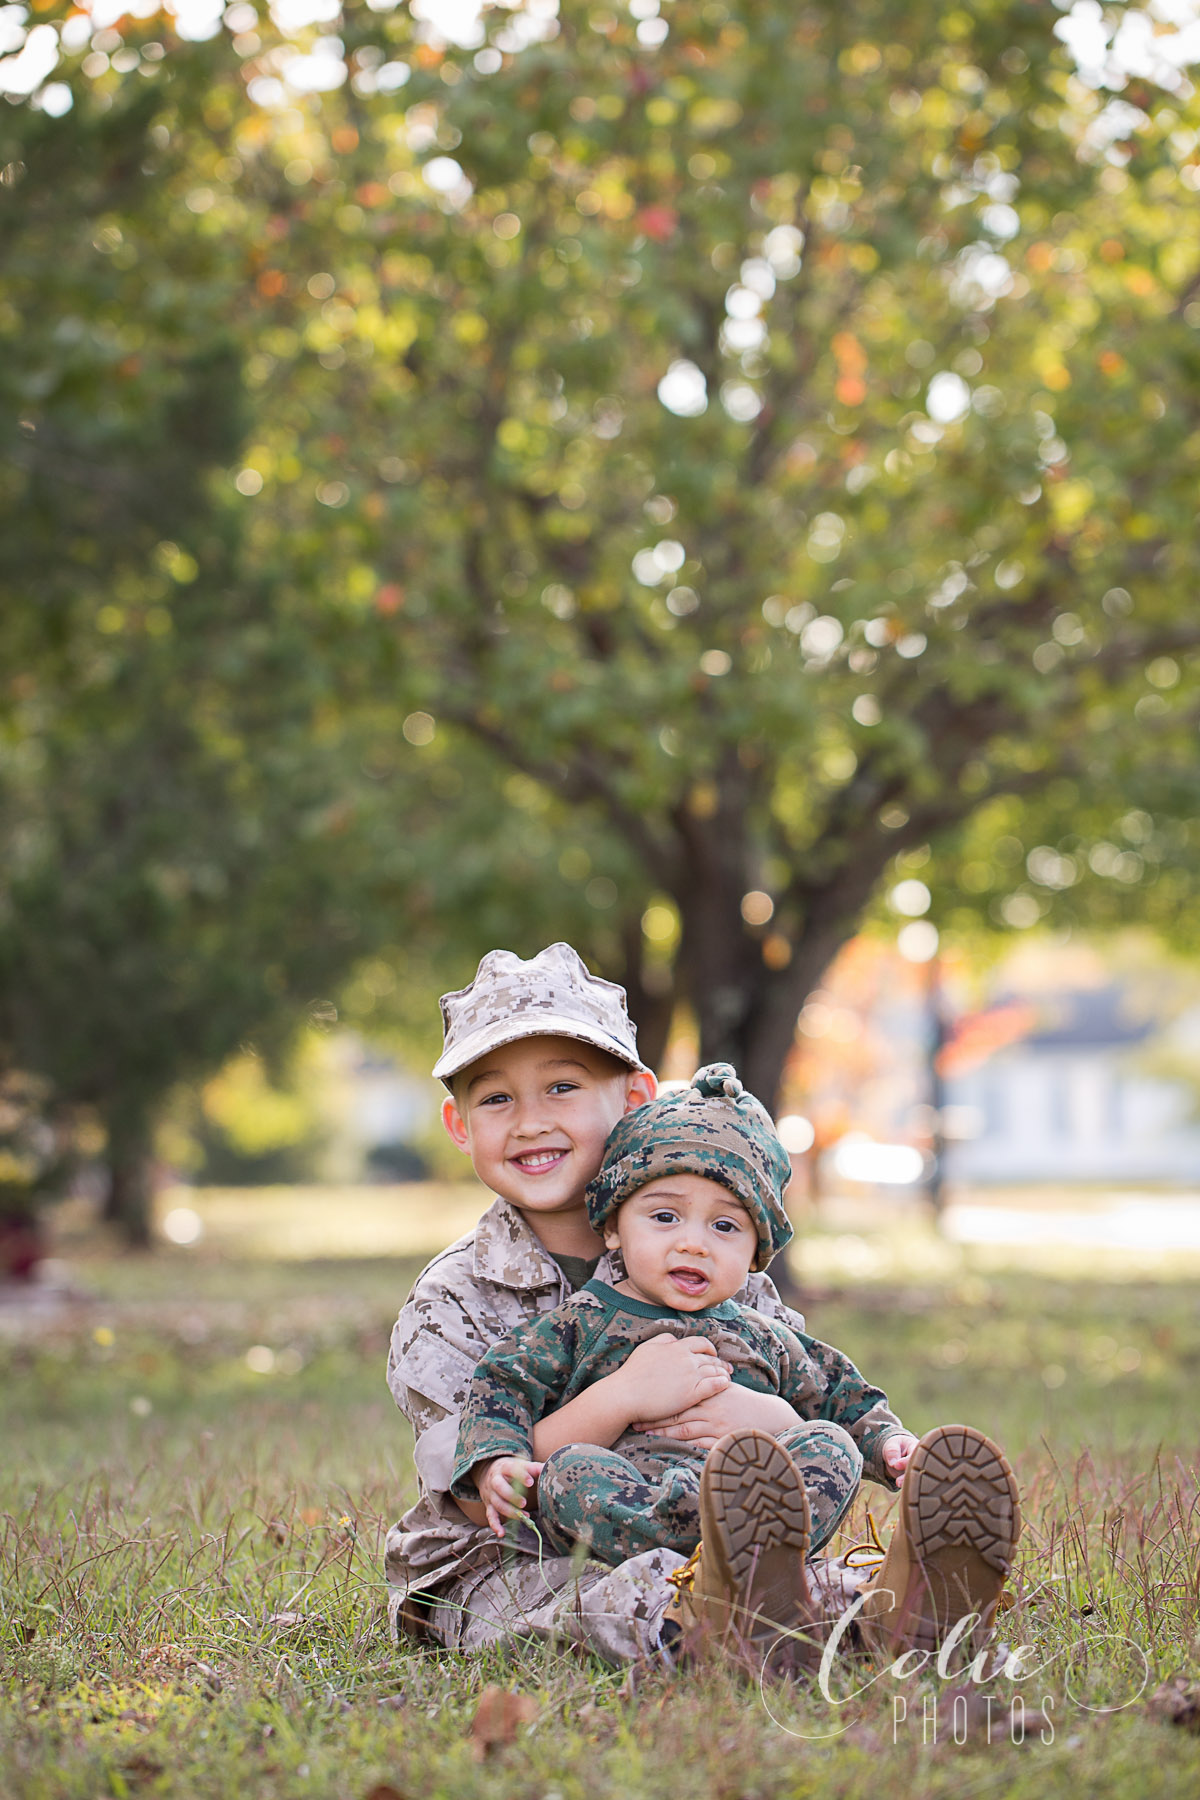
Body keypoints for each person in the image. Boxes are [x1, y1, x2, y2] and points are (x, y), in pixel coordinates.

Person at [385, 943, 1020, 1667]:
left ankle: (898, 1606)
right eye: (497, 1098)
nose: (530, 1122)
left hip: (710, 1526)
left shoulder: (711, 1264)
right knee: (606, 1598)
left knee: (781, 1564)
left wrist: (775, 1422)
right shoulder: (451, 1301)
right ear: (460, 1124)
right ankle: (747, 1618)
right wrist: (624, 1396)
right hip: (508, 1560)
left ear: (633, 1098)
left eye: (561, 1087)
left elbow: (807, 1383)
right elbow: (477, 1502)